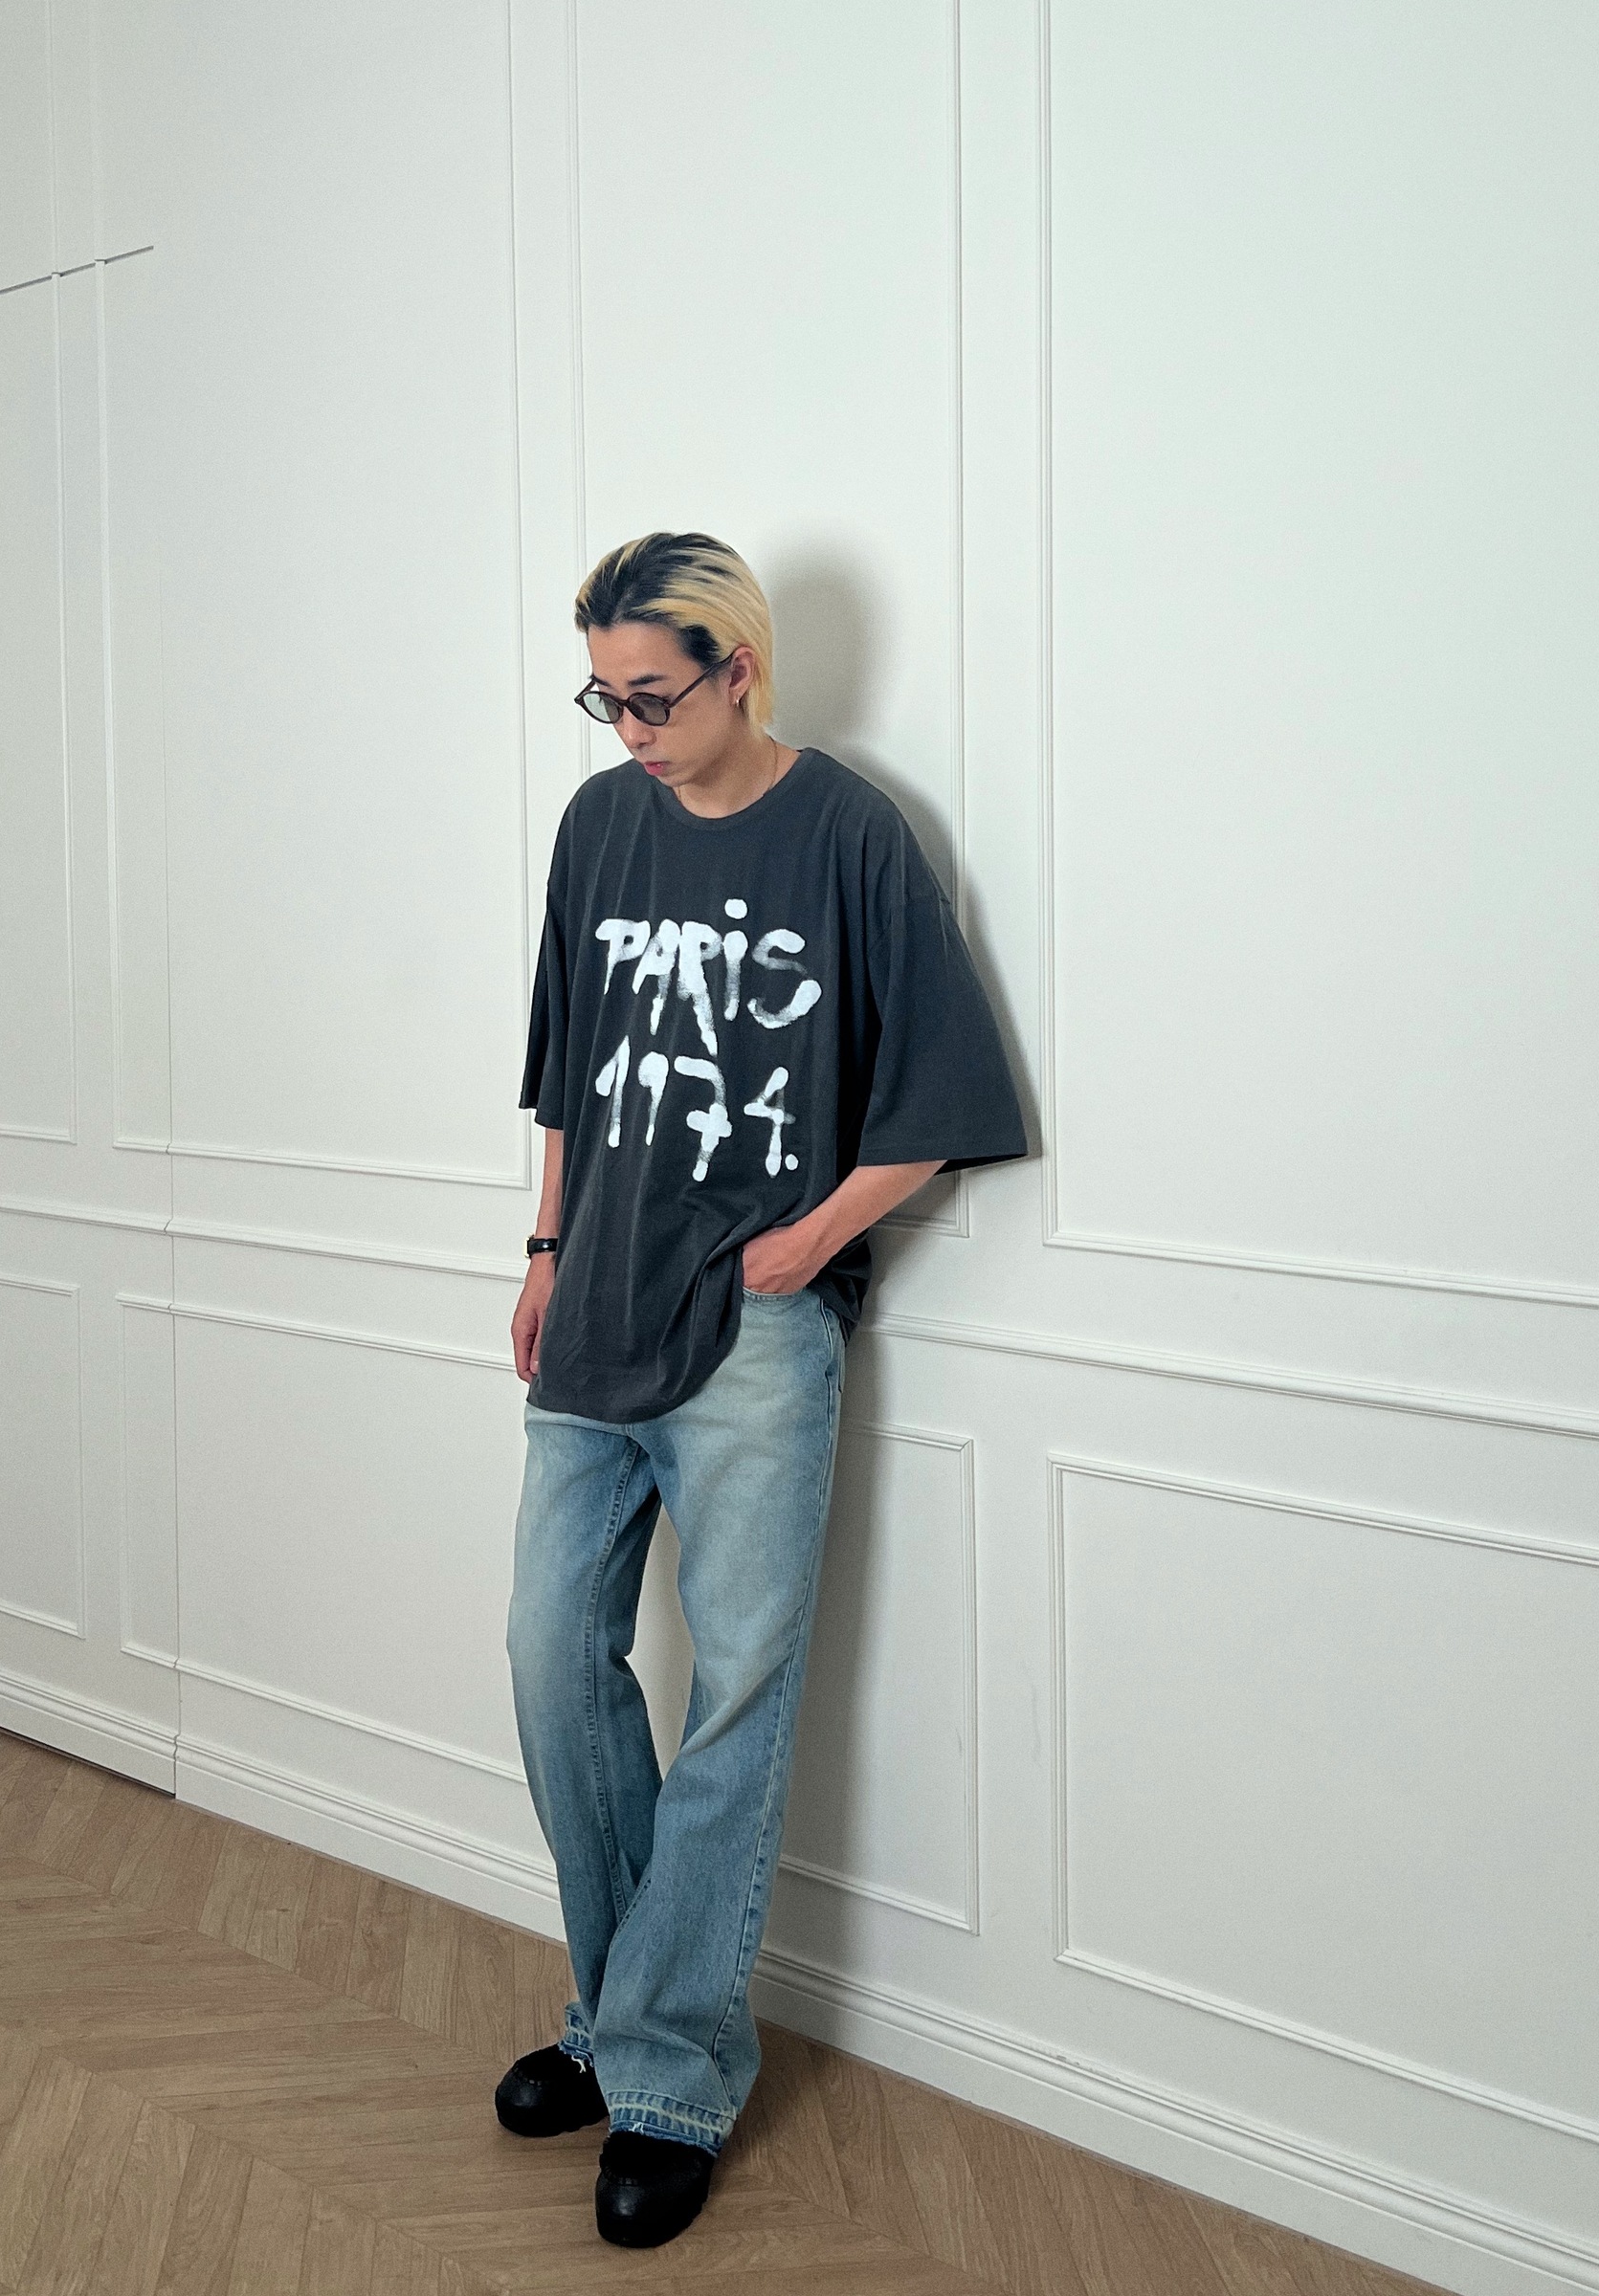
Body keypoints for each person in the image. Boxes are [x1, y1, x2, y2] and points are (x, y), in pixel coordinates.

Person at [495, 531, 1029, 2248]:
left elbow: (949, 1096)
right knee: (549, 1657)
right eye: (606, 698)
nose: (631, 730)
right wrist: (547, 1245)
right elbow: (570, 1067)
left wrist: (807, 1244)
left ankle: (666, 2075)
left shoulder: (850, 834)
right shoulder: (600, 826)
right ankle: (616, 2016)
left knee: (736, 1699)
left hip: (753, 1336)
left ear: (740, 668)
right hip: (593, 1308)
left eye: (655, 695)